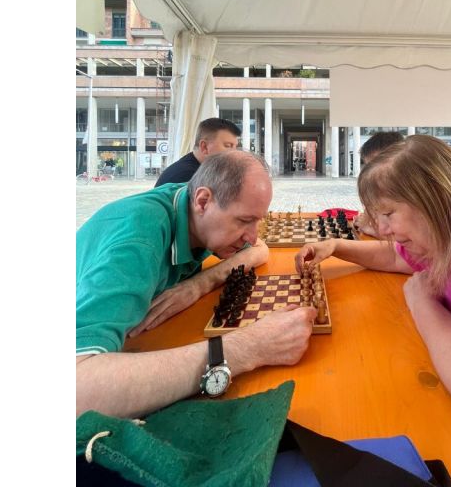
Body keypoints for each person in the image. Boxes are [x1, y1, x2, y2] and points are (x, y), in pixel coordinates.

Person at [295, 134, 451, 431]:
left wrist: (421, 300)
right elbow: (396, 257)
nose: (382, 229)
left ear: (434, 199)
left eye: (388, 213)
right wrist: (336, 247)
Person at [77, 151, 317, 418]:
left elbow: (259, 250)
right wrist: (247, 347)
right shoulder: (138, 244)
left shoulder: (190, 204)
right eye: (244, 220)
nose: (251, 236)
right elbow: (78, 389)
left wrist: (198, 285)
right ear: (203, 201)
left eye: (257, 220)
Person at [155, 118, 241, 187]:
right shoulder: (188, 176)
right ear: (204, 147)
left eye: (235, 147)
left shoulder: (199, 168)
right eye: (228, 146)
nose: (234, 152)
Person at [353, 131, 404, 237]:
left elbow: (408, 241)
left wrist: (371, 230)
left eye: (375, 165)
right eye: (367, 166)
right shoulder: (378, 189)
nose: (370, 173)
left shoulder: (407, 195)